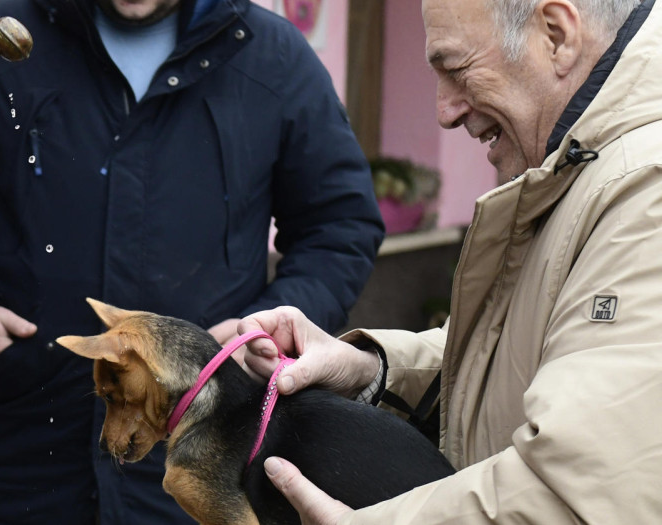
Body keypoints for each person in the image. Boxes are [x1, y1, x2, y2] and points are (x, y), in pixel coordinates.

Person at [0, 0, 386, 521]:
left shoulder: (272, 57)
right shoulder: (3, 42)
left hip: (204, 455)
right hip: (17, 437)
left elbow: (339, 226)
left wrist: (271, 329)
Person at [241, 0, 662, 523]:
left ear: (556, 34)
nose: (444, 111)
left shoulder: (647, 197)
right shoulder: (582, 168)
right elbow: (534, 354)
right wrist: (372, 371)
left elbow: (582, 493)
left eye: (456, 70)